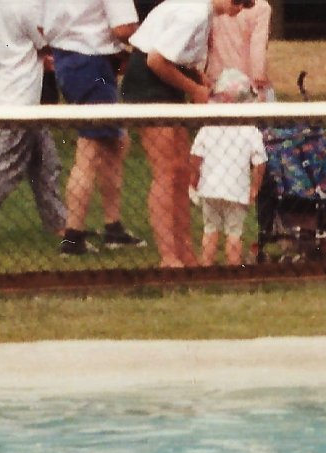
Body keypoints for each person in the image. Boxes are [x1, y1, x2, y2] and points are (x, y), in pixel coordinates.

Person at [124, 0, 228, 268]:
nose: (240, 8)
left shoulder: (201, 11)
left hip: (166, 80)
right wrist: (194, 91)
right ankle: (168, 257)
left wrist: (195, 77)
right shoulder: (194, 12)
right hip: (148, 83)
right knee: (166, 171)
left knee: (181, 172)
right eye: (240, 1)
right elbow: (155, 60)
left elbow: (175, 53)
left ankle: (186, 254)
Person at [0, 0, 65, 244]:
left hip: (8, 92)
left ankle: (60, 223)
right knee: (5, 164)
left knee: (46, 163)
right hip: (20, 99)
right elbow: (47, 44)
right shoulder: (29, 6)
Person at [42, 0, 139, 256]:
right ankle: (73, 236)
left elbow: (41, 25)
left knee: (115, 141)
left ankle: (113, 227)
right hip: (91, 63)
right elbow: (124, 27)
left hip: (68, 59)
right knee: (89, 149)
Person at [189, 66, 261, 264]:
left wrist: (193, 181)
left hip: (210, 188)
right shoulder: (250, 130)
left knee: (210, 229)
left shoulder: (208, 127)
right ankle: (233, 269)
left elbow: (195, 157)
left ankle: (206, 266)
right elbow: (260, 163)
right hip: (237, 189)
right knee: (234, 232)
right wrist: (255, 187)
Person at [202, 0, 266, 100]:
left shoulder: (216, 4)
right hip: (246, 80)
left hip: (216, 77)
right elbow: (258, 45)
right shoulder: (261, 8)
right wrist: (259, 78)